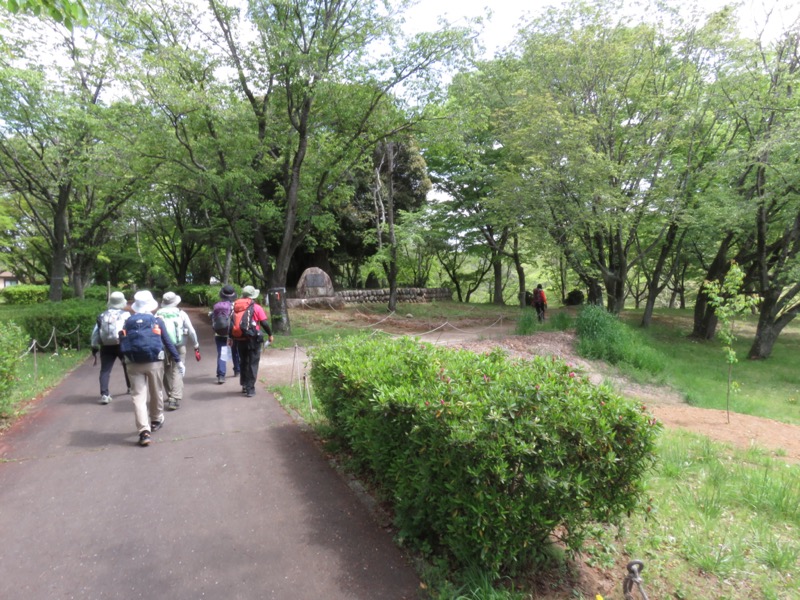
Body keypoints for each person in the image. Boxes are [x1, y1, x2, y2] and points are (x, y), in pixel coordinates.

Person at [120, 290, 183, 447]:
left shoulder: (128, 321)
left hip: (133, 363)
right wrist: (178, 360)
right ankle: (156, 419)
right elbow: (167, 342)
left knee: (138, 397)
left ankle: (144, 431)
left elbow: (121, 340)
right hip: (155, 361)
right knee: (156, 391)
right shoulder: (156, 320)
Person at [156, 291, 201, 411]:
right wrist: (196, 344)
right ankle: (174, 398)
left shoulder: (157, 314)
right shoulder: (181, 313)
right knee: (178, 370)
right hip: (179, 345)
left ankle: (171, 394)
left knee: (165, 370)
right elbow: (191, 330)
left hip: (163, 346)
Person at [229, 285, 273, 398]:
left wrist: (231, 338)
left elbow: (231, 323)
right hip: (253, 340)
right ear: (252, 296)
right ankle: (250, 389)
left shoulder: (235, 306)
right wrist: (270, 334)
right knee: (253, 363)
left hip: (239, 339)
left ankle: (244, 385)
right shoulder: (256, 307)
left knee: (243, 361)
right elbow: (264, 323)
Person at [90, 291, 132, 405]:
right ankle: (130, 387)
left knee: (105, 370)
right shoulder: (126, 315)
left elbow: (95, 332)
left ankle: (104, 394)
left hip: (106, 345)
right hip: (121, 344)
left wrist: (94, 346)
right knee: (127, 366)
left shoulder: (102, 315)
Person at [211, 285, 240, 384]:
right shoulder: (235, 305)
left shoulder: (217, 306)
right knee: (235, 351)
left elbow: (213, 319)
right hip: (233, 333)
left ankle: (221, 375)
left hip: (219, 333)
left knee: (222, 353)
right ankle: (237, 370)